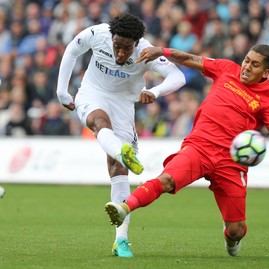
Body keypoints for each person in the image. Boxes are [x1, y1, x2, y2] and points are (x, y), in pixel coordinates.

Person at [104, 43, 269, 257]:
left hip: (231, 162)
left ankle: (231, 238)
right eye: (246, 60)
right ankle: (125, 207)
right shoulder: (227, 69)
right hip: (199, 146)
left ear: (265, 72)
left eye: (254, 65)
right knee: (167, 180)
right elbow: (191, 59)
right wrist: (163, 51)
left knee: (236, 230)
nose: (246, 67)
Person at [56, 13, 186, 258]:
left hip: (124, 103)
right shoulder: (97, 34)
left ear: (137, 43)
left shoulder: (146, 51)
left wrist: (155, 92)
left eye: (127, 48)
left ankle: (121, 241)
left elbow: (177, 77)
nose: (120, 53)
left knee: (118, 168)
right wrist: (62, 91)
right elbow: (72, 50)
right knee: (98, 122)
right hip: (92, 93)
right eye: (117, 46)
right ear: (111, 37)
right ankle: (120, 150)